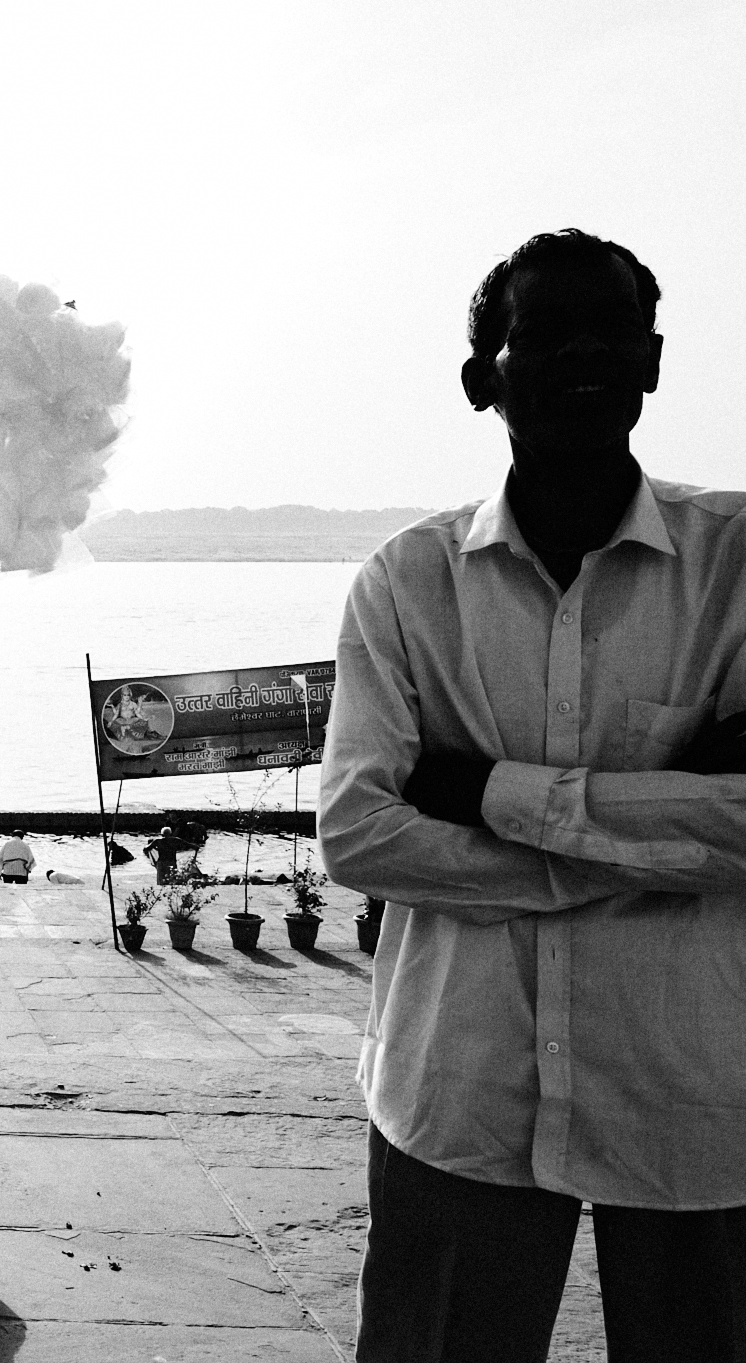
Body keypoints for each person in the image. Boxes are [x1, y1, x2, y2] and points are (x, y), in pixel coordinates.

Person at [319, 229, 746, 1361]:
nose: (584, 356)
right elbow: (358, 833)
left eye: (612, 332)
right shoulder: (407, 583)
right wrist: (649, 837)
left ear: (654, 361)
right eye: (546, 334)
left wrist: (487, 791)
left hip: (696, 1094)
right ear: (481, 379)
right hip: (462, 1088)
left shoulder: (737, 566)